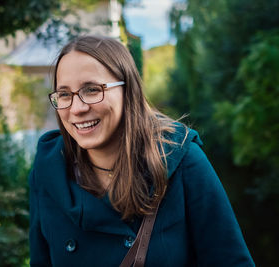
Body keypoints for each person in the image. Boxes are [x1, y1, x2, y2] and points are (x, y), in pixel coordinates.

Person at [29, 35, 254, 266]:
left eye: (92, 90)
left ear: (128, 91)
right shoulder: (48, 170)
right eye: (65, 94)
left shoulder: (180, 160)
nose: (76, 108)